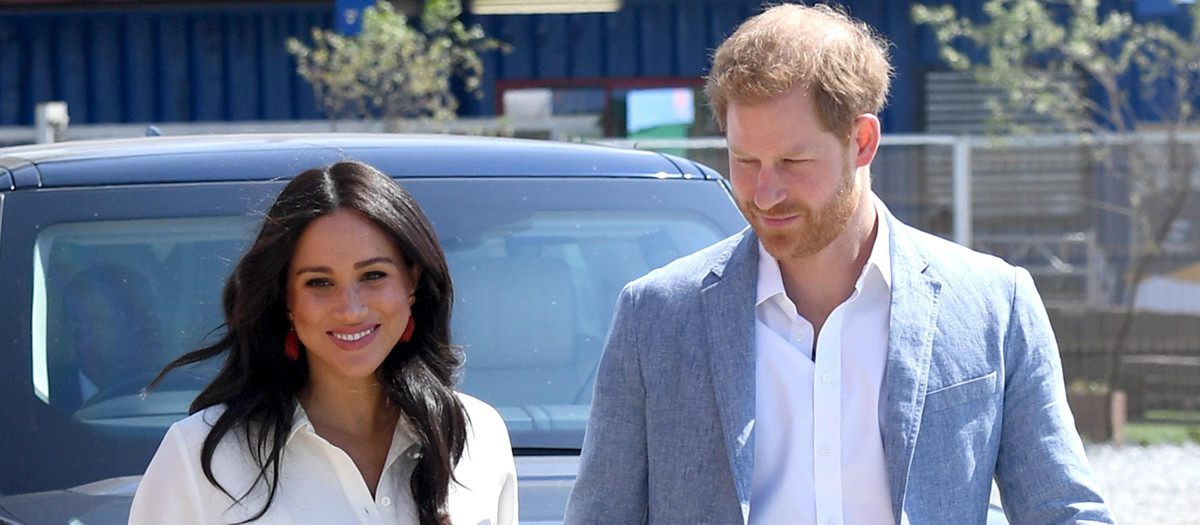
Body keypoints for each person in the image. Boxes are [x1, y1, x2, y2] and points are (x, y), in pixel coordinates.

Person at [565, 4, 1113, 525]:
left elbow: (1062, 509)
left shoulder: (995, 303)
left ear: (862, 141)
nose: (764, 192)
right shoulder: (655, 316)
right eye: (745, 160)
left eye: (793, 162)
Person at [130, 161, 517, 525]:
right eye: (319, 282)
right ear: (285, 298)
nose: (350, 309)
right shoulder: (200, 456)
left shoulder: (478, 436)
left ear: (412, 281)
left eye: (373, 275)